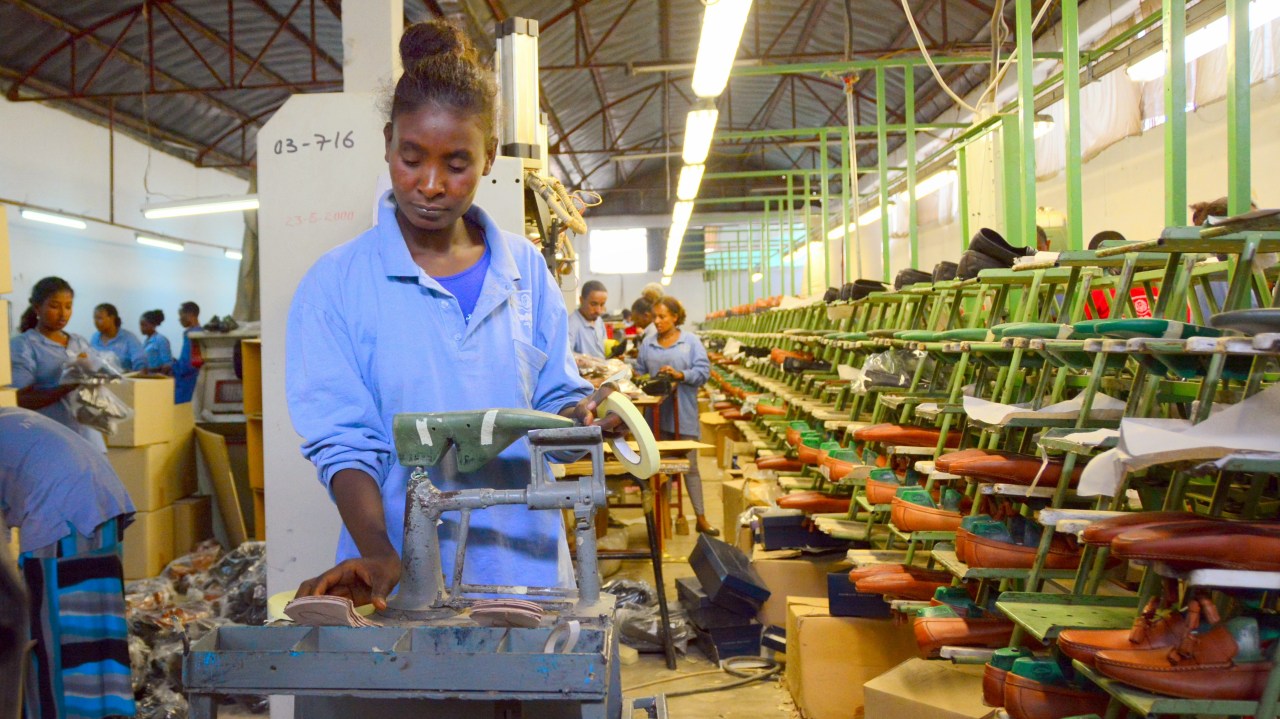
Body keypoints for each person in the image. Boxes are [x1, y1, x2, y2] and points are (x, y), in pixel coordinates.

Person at [286, 19, 616, 610]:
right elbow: (344, 442)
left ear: (489, 157)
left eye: (457, 164)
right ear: (388, 142)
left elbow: (553, 418)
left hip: (527, 576)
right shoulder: (336, 284)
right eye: (411, 157)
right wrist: (379, 550)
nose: (430, 185)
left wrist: (584, 418)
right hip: (400, 579)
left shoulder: (525, 270)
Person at [1, 407, 136, 719]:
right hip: (94, 502)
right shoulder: (8, 417)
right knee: (94, 630)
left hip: (63, 516)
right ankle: (102, 711)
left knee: (54, 638)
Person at [634, 296, 717, 535]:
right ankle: (664, 522)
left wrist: (679, 375)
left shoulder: (690, 342)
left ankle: (701, 518)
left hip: (684, 413)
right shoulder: (648, 344)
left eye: (662, 317)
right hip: (656, 417)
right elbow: (639, 373)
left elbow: (703, 372)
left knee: (690, 467)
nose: (657, 322)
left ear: (675, 316)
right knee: (660, 471)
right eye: (655, 317)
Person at [10, 277, 106, 450]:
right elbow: (19, 399)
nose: (63, 314)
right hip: (51, 442)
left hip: (90, 440)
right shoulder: (24, 346)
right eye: (55, 306)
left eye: (68, 306)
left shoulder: (79, 343)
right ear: (37, 307)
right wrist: (67, 385)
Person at [89, 302, 145, 372]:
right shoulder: (95, 338)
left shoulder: (129, 338)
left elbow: (140, 363)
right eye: (95, 318)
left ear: (112, 318)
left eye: (100, 318)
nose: (96, 322)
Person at [567, 280, 608, 358]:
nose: (598, 310)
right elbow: (566, 355)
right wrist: (587, 361)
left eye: (602, 305)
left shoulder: (599, 321)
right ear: (581, 300)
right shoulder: (571, 325)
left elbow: (604, 349)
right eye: (593, 304)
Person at [172, 301, 201, 404]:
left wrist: (173, 366)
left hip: (187, 384)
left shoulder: (193, 335)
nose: (179, 319)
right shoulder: (199, 333)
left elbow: (187, 365)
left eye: (181, 315)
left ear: (190, 315)